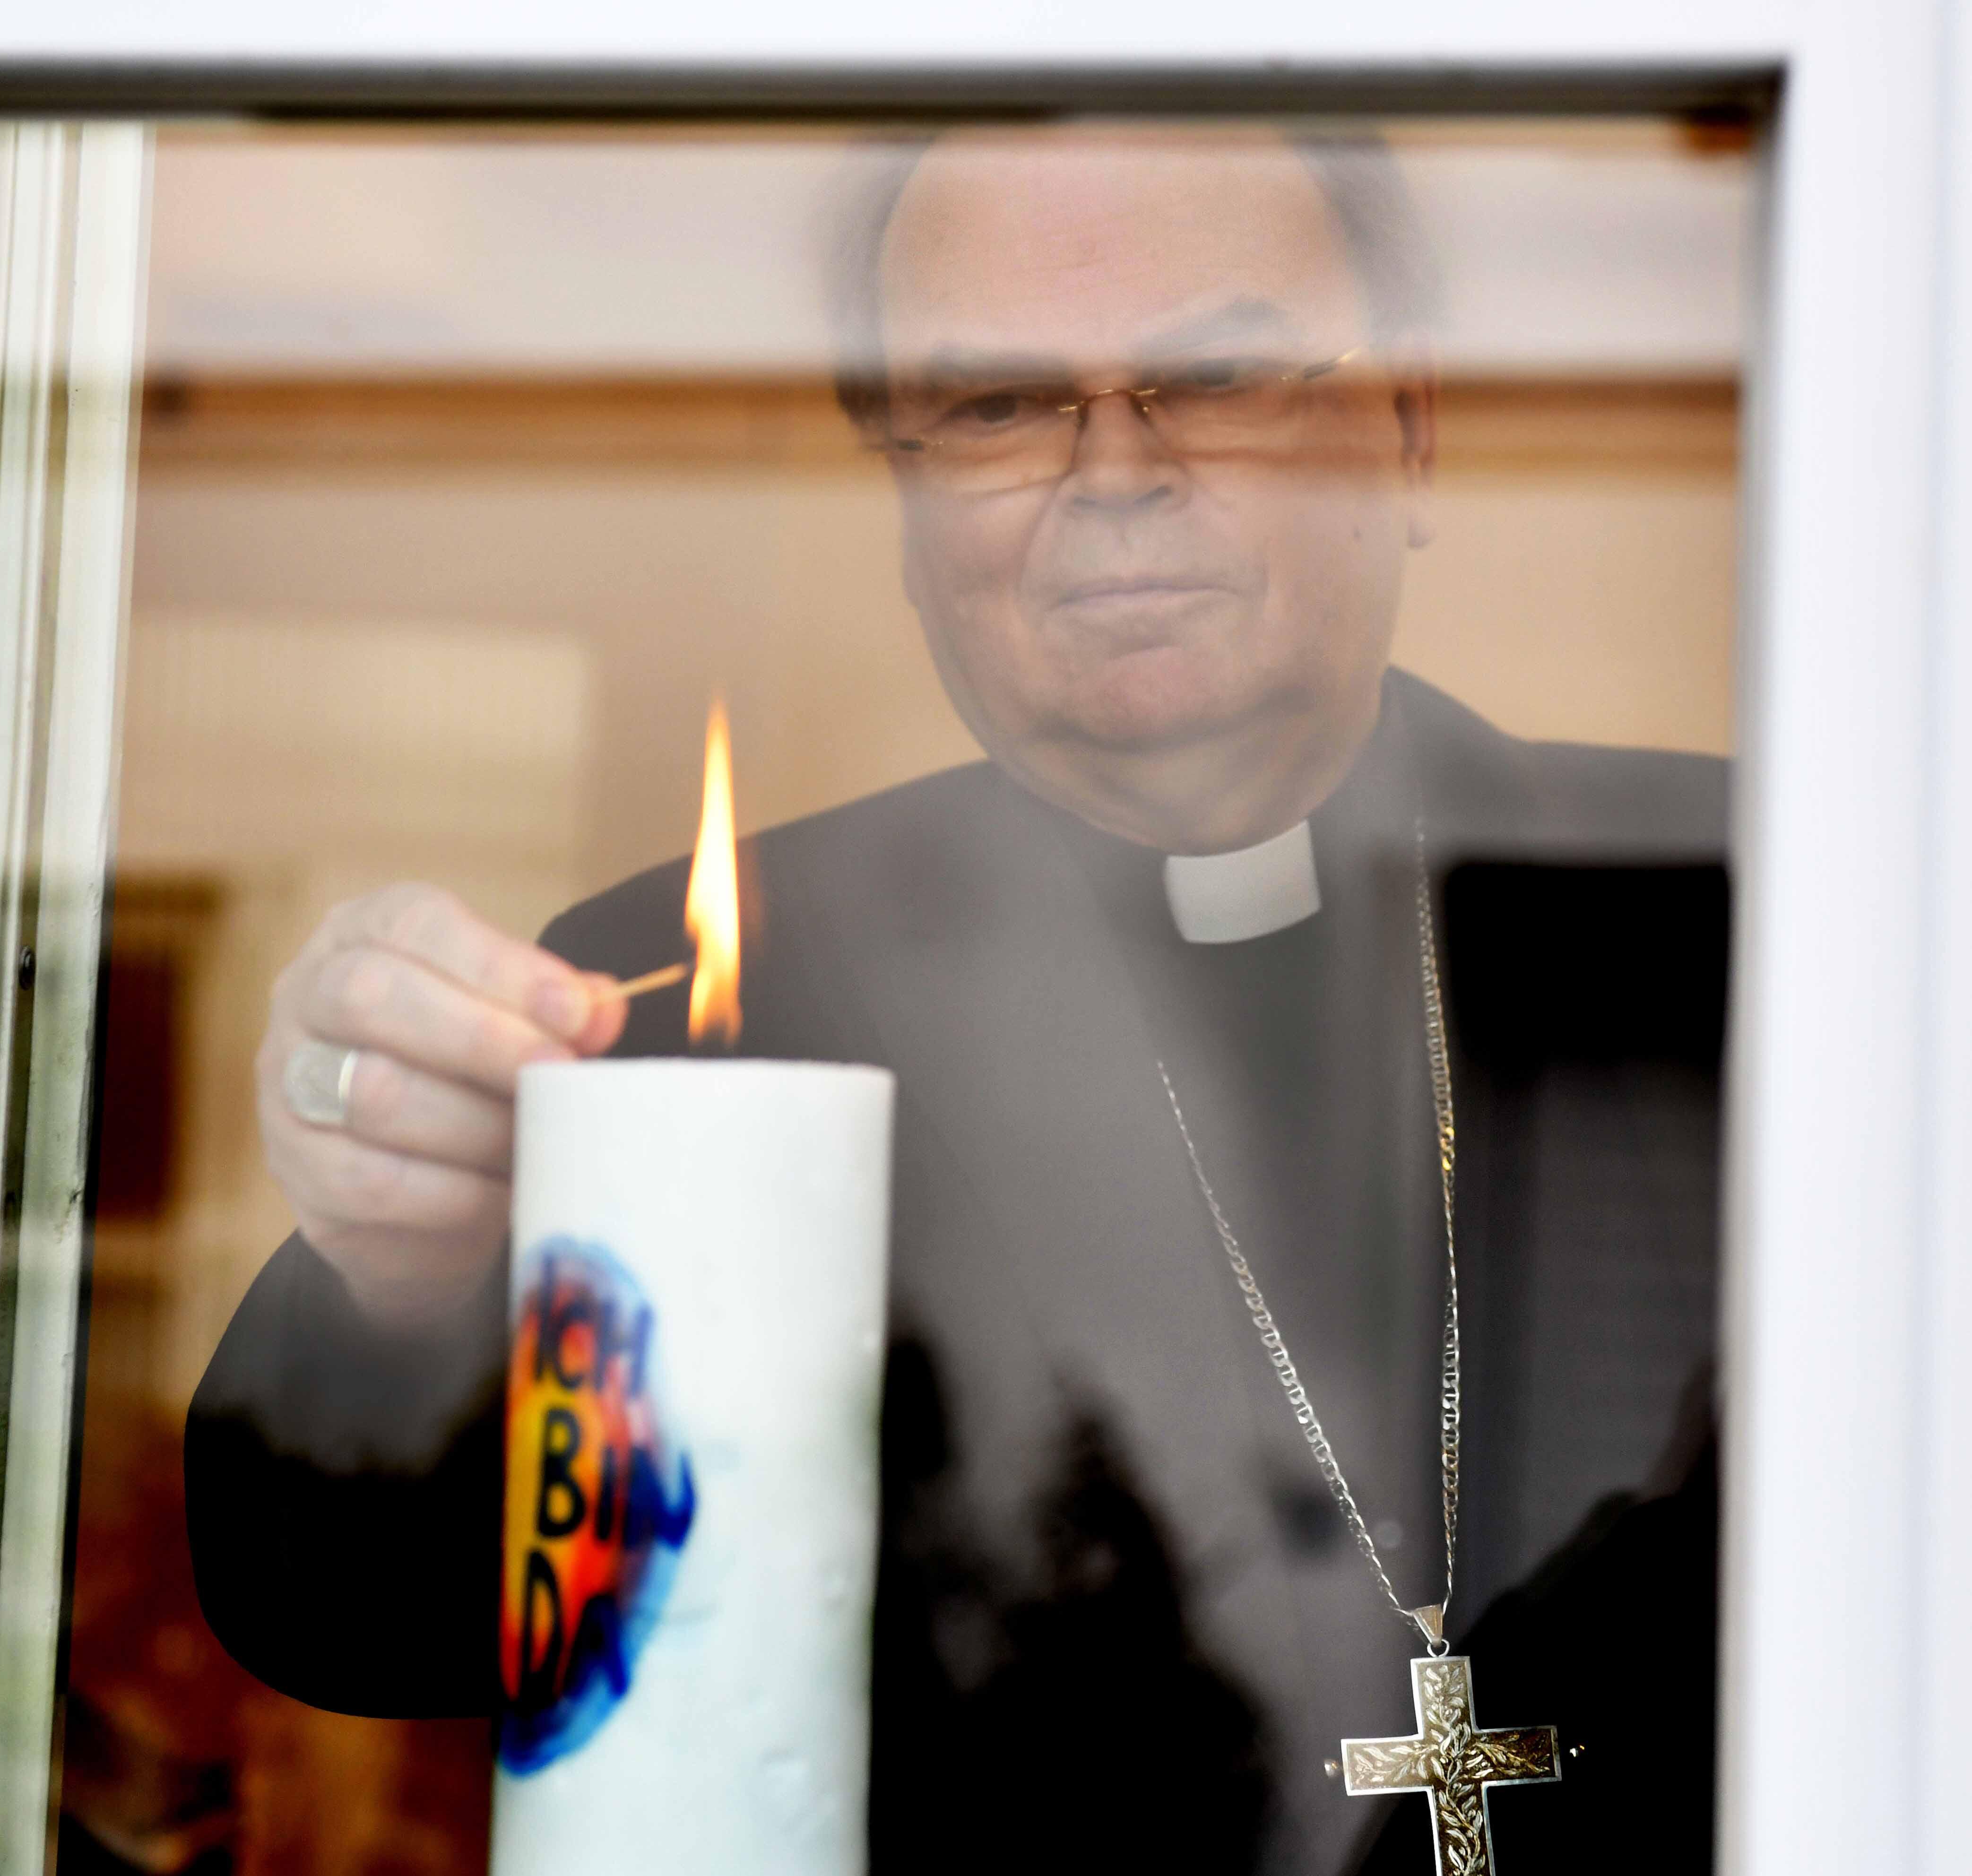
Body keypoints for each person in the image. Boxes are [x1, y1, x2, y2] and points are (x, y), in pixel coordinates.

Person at [186, 126, 1728, 1875]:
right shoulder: (683, 997)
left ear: (1414, 427)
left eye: (1214, 376)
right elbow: (342, 1609)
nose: (1114, 472)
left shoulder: (1753, 918)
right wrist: (408, 1279)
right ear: (905, 508)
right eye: (994, 407)